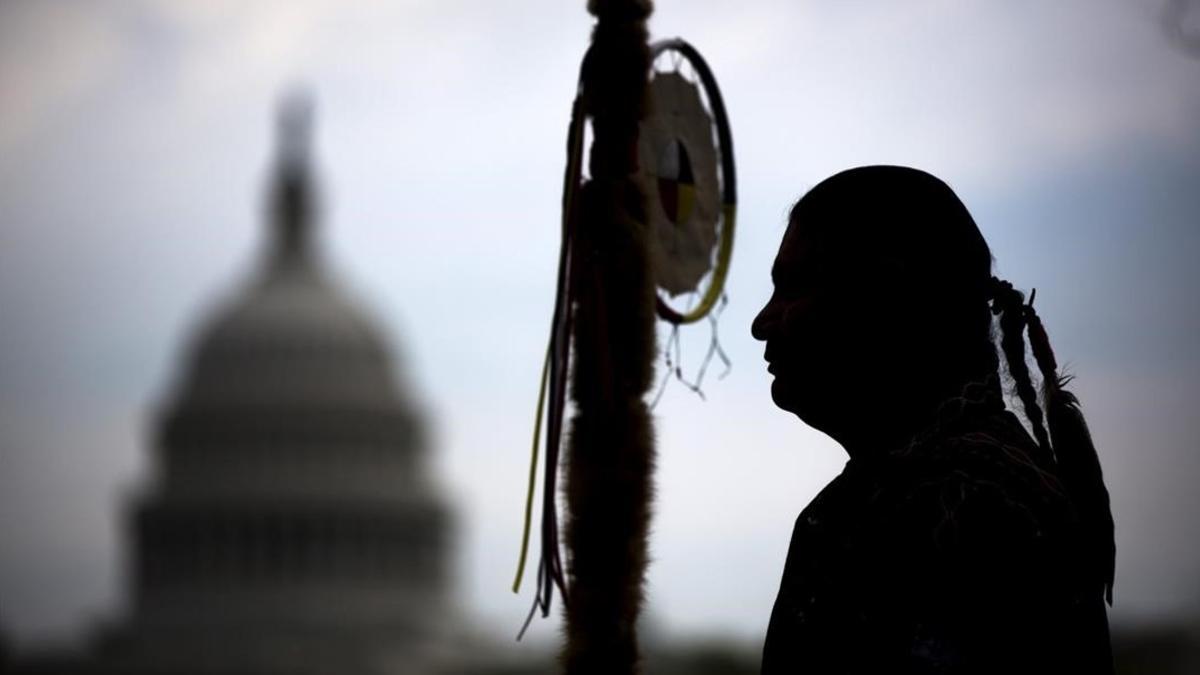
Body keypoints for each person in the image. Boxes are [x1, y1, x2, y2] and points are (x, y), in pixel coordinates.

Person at [751, 166, 1115, 674]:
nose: (760, 324)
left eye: (792, 290)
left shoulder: (962, 510)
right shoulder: (939, 491)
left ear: (882, 297)